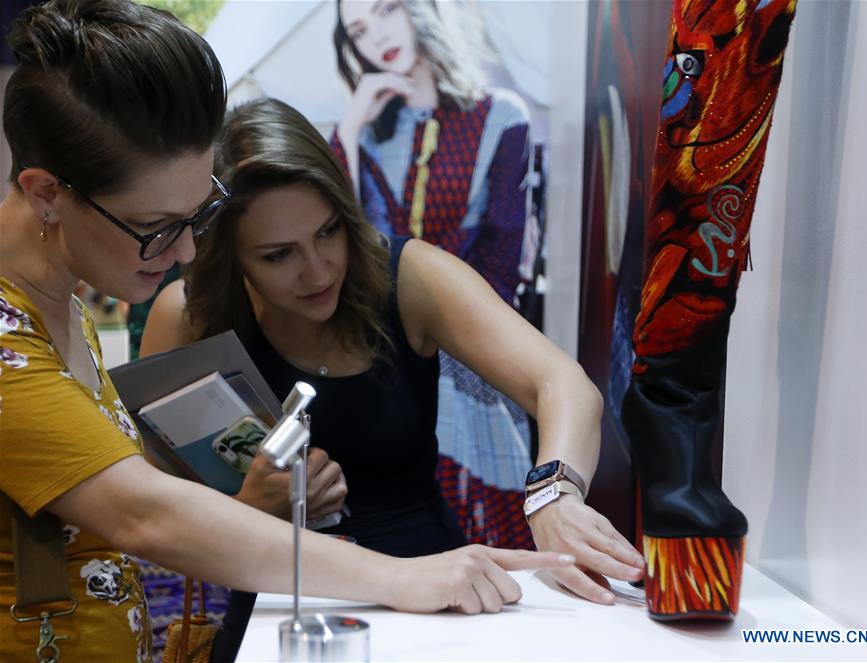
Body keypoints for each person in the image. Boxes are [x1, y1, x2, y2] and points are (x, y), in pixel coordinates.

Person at [0, 2, 574, 662]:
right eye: (156, 227)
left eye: (198, 216)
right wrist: (401, 575)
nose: (186, 252)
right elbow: (145, 512)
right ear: (46, 193)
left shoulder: (57, 300)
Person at [142, 96, 645, 653]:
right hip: (283, 607)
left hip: (440, 591)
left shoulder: (408, 276)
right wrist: (250, 510)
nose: (318, 270)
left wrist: (553, 494)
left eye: (329, 231)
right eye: (279, 255)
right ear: (230, 256)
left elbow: (562, 383)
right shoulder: (190, 317)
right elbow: (153, 510)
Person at [331, 0, 537, 548]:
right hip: (383, 352)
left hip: (474, 348)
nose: (377, 36)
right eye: (358, 30)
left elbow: (503, 261)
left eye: (387, 10)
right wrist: (348, 130)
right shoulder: (368, 133)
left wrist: (448, 341)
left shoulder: (500, 117)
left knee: (487, 531)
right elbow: (342, 248)